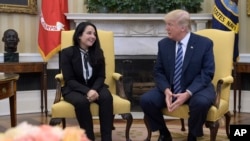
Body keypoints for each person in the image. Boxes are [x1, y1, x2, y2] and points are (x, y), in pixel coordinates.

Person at [140, 9, 216, 141]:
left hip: (197, 89)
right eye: (166, 24)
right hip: (171, 88)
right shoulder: (164, 44)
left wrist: (188, 92)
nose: (166, 28)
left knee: (201, 102)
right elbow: (158, 71)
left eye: (170, 24)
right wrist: (166, 90)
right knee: (147, 100)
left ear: (183, 27)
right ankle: (164, 133)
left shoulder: (204, 44)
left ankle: (193, 135)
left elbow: (207, 72)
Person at [61, 22, 113, 141]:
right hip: (74, 88)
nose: (93, 36)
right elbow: (69, 79)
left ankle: (107, 138)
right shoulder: (67, 53)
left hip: (95, 86)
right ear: (79, 35)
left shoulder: (98, 52)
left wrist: (93, 89)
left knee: (107, 97)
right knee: (82, 102)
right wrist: (87, 91)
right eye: (89, 33)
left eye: (94, 34)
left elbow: (101, 76)